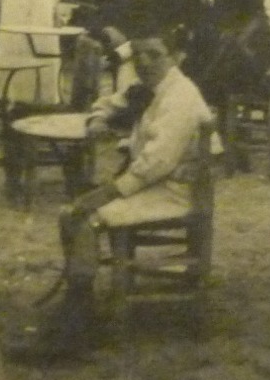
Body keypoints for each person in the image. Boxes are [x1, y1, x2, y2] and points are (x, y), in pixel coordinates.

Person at [20, 27, 214, 359]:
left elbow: (157, 163)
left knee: (83, 215)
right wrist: (98, 118)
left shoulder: (180, 97)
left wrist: (108, 193)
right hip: (151, 182)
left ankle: (78, 322)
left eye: (155, 54)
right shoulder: (150, 88)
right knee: (73, 212)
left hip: (173, 191)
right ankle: (79, 303)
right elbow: (110, 101)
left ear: (177, 57)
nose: (145, 61)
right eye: (138, 54)